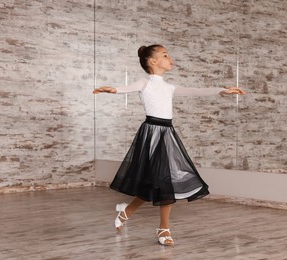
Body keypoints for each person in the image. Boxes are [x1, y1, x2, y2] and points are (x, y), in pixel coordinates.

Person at [93, 44, 246, 246]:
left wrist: (222, 90)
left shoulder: (169, 87)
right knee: (160, 181)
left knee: (158, 182)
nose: (170, 58)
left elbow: (196, 91)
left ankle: (130, 213)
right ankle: (160, 227)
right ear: (153, 61)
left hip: (167, 133)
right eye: (165, 55)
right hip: (151, 134)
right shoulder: (144, 83)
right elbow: (128, 89)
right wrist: (113, 90)